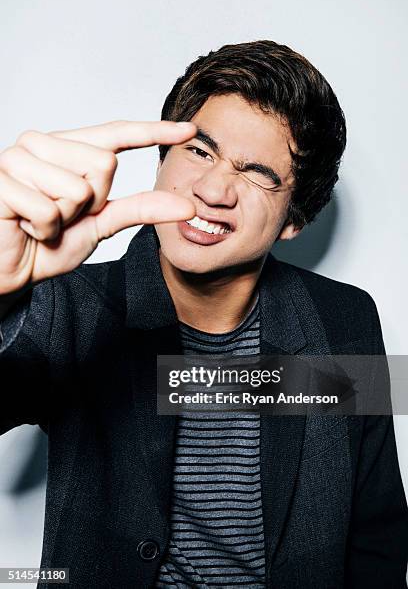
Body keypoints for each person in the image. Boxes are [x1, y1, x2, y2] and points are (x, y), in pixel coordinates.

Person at [0, 40, 406, 588]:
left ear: (295, 218)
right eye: (200, 151)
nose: (214, 190)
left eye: (258, 173)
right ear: (162, 157)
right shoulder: (73, 304)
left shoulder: (345, 319)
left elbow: (376, 532)